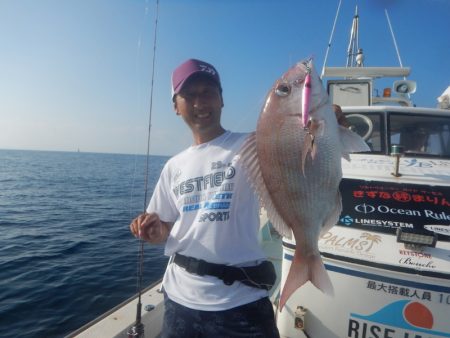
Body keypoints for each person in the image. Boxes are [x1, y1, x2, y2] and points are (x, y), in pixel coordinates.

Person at [129, 58, 279, 338]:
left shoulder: (252, 146)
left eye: (208, 92)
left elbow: (294, 143)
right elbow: (165, 229)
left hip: (241, 302)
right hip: (178, 301)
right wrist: (156, 231)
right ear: (176, 106)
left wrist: (320, 126)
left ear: (222, 100)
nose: (200, 102)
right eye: (190, 95)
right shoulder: (174, 166)